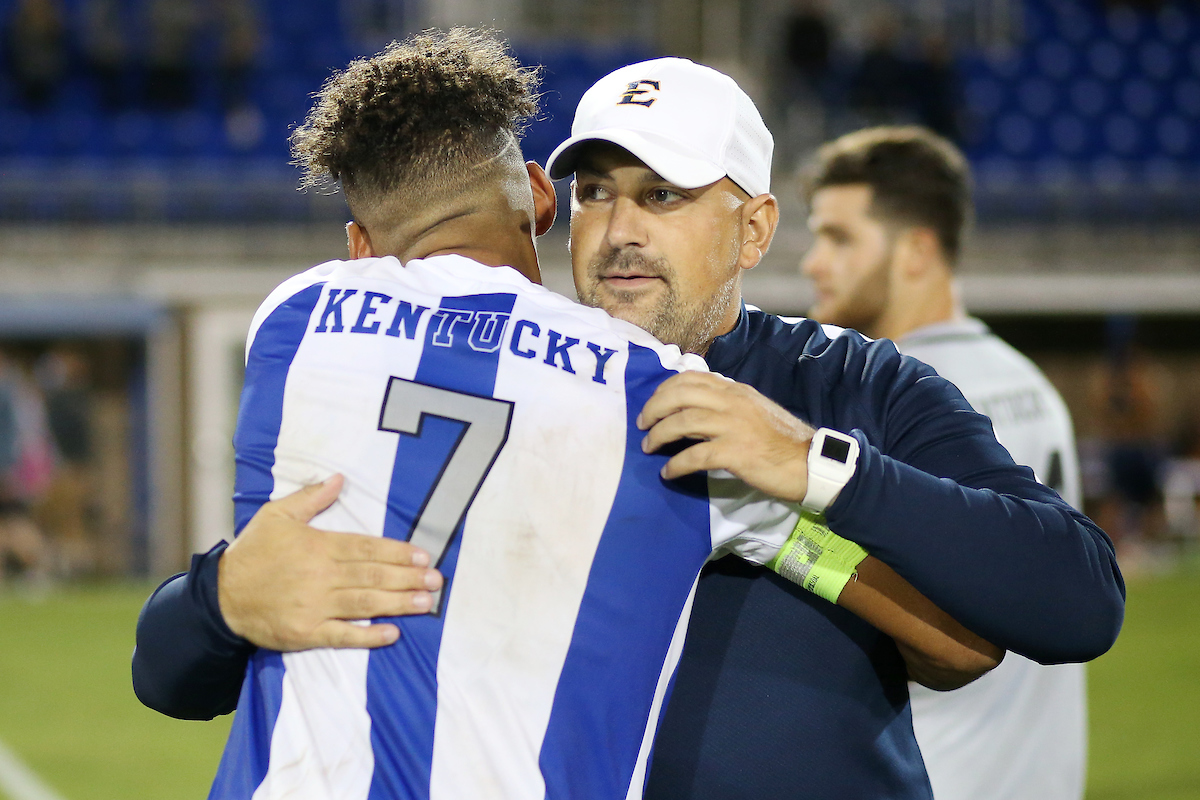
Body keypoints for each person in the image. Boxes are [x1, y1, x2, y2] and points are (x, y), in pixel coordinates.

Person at [134, 54, 1124, 800]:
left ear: (753, 228)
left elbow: (1073, 605)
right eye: (596, 192)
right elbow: (178, 670)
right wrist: (220, 598)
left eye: (664, 196)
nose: (618, 230)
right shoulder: (517, 387)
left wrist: (811, 464)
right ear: (548, 202)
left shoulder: (859, 383)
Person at [800, 125, 1086, 799]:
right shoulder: (1028, 383)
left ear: (917, 251)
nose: (813, 263)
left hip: (929, 774)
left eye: (838, 238)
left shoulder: (897, 408)